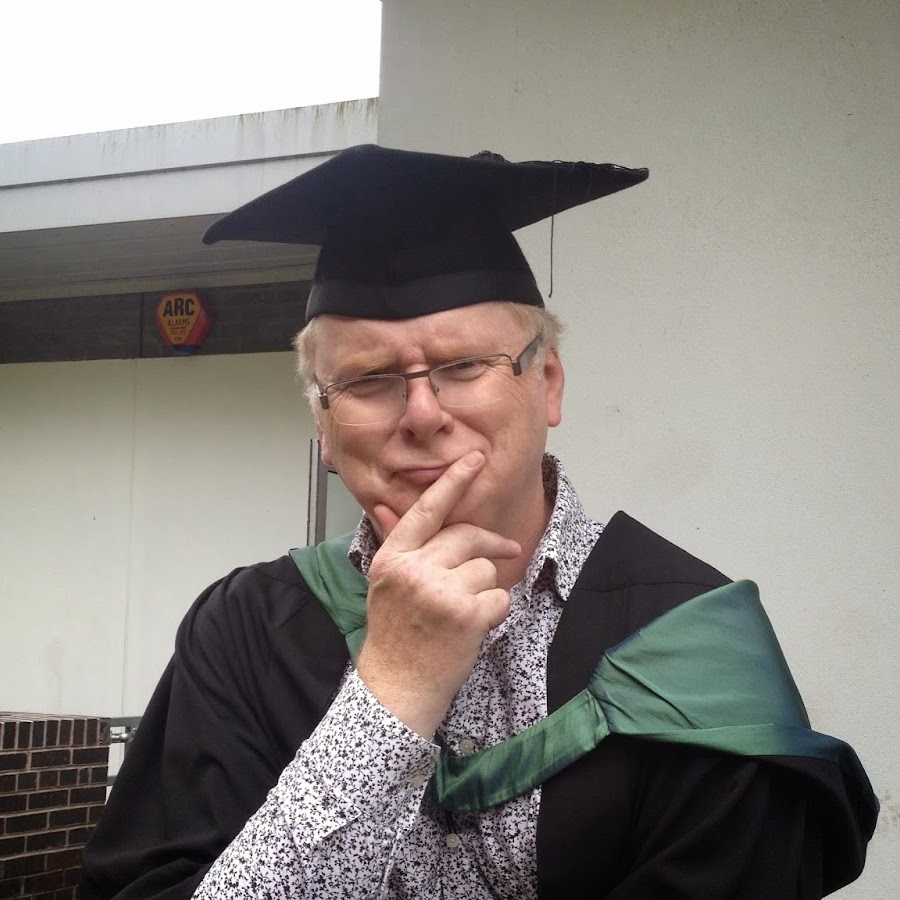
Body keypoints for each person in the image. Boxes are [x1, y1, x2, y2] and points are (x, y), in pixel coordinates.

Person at [80, 145, 877, 899]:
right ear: (322, 425)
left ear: (548, 383)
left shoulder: (695, 652)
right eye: (369, 380)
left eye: (463, 366)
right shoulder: (243, 633)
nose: (422, 414)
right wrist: (392, 691)